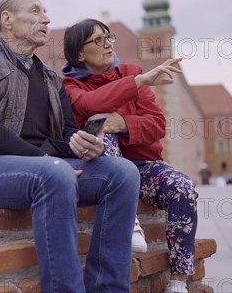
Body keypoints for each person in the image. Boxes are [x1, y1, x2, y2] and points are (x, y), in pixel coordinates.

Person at [0, 0, 140, 293]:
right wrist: (45, 160)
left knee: (123, 173)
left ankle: (109, 288)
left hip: (46, 170)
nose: (46, 19)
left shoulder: (50, 78)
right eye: (35, 11)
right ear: (7, 19)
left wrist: (84, 144)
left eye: (46, 12)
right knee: (56, 173)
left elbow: (64, 135)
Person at [62, 18, 198, 293]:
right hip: (104, 167)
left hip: (144, 165)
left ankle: (178, 282)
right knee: (99, 123)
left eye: (108, 37)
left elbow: (157, 125)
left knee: (182, 188)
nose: (108, 45)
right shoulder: (69, 85)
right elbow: (90, 104)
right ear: (79, 53)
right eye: (98, 40)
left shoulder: (129, 71)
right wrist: (139, 83)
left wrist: (122, 122)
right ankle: (131, 221)